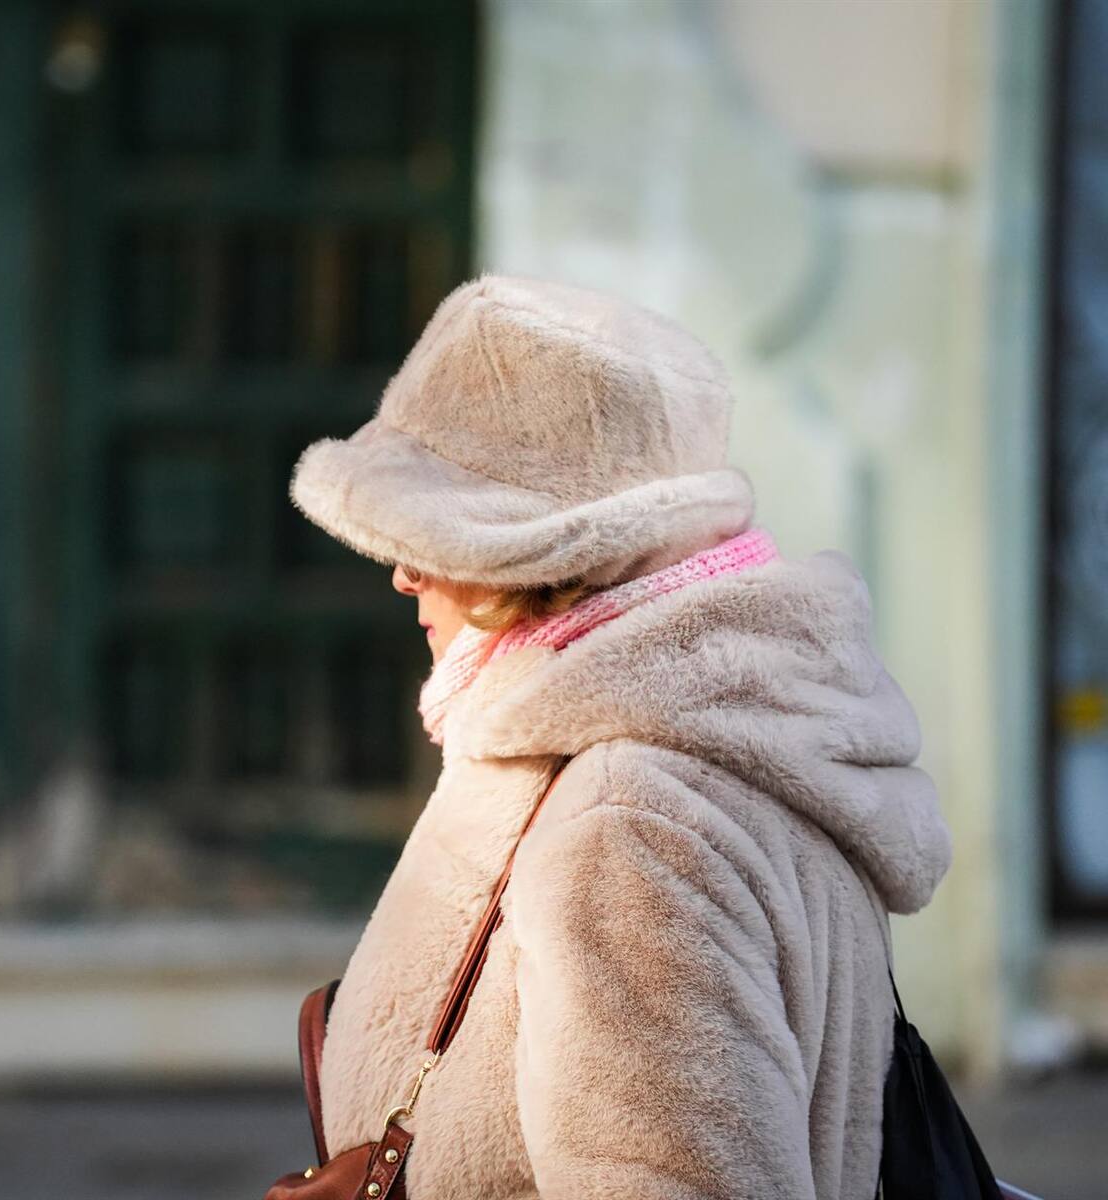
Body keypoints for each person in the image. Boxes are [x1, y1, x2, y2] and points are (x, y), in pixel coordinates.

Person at [288, 274, 952, 1200]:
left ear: (551, 552)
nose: (403, 577)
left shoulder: (630, 831)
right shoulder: (735, 738)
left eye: (434, 535)